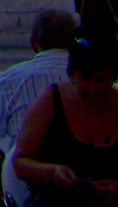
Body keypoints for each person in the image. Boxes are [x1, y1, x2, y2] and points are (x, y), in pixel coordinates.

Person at [0, 9, 79, 204]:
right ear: (74, 42)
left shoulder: (15, 77)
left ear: (33, 43)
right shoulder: (87, 79)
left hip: (22, 181)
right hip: (79, 174)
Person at [13, 34, 118, 203]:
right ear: (72, 75)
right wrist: (53, 172)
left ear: (113, 78)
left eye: (101, 79)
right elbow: (20, 163)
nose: (92, 88)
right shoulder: (50, 99)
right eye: (85, 78)